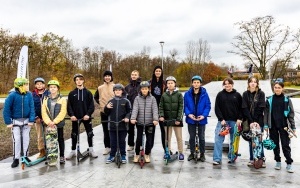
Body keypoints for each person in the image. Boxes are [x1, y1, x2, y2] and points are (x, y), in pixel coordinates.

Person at [264, 81, 296, 173]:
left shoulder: (287, 100)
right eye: (275, 87)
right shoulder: (269, 100)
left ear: (282, 88)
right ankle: (278, 161)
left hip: (284, 126)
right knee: (275, 145)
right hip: (272, 126)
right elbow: (266, 113)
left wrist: (293, 127)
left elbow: (291, 114)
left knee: (285, 145)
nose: (277, 89)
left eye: (279, 87)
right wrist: (266, 125)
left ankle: (289, 163)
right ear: (273, 88)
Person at [3, 78, 35, 168]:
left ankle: (25, 156)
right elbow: (6, 109)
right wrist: (8, 122)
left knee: (26, 139)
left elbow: (32, 107)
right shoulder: (12, 95)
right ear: (20, 86)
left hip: (26, 121)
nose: (27, 86)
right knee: (16, 140)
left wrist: (31, 120)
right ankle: (16, 158)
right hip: (15, 121)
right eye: (25, 84)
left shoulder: (29, 95)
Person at [66, 73, 97, 160]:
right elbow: (69, 106)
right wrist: (71, 115)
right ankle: (73, 151)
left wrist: (88, 114)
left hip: (86, 117)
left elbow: (91, 105)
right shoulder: (72, 93)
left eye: (80, 79)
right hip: (76, 117)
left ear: (83, 80)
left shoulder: (88, 93)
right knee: (74, 134)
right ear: (75, 82)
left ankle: (91, 149)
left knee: (90, 133)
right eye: (77, 80)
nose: (79, 81)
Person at [213, 78, 243, 165]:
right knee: (218, 140)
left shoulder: (237, 95)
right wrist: (221, 119)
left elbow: (242, 108)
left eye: (229, 84)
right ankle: (217, 158)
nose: (227, 85)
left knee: (233, 141)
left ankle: (232, 157)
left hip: (234, 122)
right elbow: (217, 108)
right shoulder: (220, 95)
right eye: (225, 84)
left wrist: (239, 118)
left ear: (232, 85)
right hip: (223, 122)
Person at [184, 75, 211, 162]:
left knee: (201, 137)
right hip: (191, 119)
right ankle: (192, 153)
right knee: (192, 137)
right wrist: (188, 114)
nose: (196, 84)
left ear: (200, 84)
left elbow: (208, 106)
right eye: (194, 82)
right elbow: (185, 106)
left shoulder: (205, 94)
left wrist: (204, 115)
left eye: (198, 82)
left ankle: (202, 154)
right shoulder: (187, 94)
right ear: (192, 83)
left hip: (201, 119)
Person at [131, 81, 159, 163]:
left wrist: (155, 119)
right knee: (138, 139)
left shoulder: (152, 98)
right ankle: (136, 154)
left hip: (150, 123)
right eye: (143, 89)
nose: (144, 90)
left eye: (146, 89)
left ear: (148, 89)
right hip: (139, 122)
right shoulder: (137, 98)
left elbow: (155, 109)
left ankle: (147, 154)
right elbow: (135, 109)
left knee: (149, 139)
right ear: (140, 89)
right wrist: (133, 118)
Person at [242, 77, 266, 167]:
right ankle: (252, 159)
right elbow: (244, 108)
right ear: (248, 83)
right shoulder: (245, 94)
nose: (253, 83)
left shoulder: (261, 94)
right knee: (251, 141)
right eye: (251, 82)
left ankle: (261, 159)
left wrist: (255, 121)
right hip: (249, 121)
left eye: (255, 82)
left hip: (259, 121)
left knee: (259, 141)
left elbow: (261, 107)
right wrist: (251, 121)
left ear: (257, 84)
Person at [159, 76, 184, 161]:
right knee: (167, 138)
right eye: (168, 83)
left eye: (171, 83)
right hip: (167, 120)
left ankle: (181, 152)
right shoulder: (164, 95)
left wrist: (178, 119)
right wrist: (161, 116)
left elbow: (181, 107)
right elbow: (161, 107)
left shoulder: (179, 94)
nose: (170, 85)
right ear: (166, 84)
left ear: (175, 84)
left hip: (176, 120)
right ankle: (167, 151)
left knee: (179, 137)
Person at [104, 84, 131, 164]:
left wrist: (127, 117)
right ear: (114, 92)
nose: (118, 91)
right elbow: (106, 113)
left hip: (123, 125)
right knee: (113, 141)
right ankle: (112, 155)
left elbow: (129, 111)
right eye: (116, 90)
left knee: (122, 141)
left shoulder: (126, 101)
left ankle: (123, 155)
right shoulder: (111, 101)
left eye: (119, 90)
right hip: (112, 125)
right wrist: (106, 107)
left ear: (122, 91)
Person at [41, 80, 67, 164]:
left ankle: (62, 156)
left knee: (60, 139)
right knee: (49, 141)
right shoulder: (45, 99)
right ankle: (50, 156)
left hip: (58, 124)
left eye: (54, 87)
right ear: (48, 88)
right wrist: (48, 122)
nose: (52, 89)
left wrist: (55, 122)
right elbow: (43, 111)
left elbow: (63, 112)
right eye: (51, 87)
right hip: (48, 124)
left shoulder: (62, 99)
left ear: (58, 89)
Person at [94, 70, 115, 155]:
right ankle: (107, 147)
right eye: (106, 76)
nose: (107, 77)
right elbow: (96, 97)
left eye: (109, 76)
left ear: (111, 77)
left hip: (113, 112)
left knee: (113, 130)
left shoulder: (115, 86)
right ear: (104, 77)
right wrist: (101, 103)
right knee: (105, 130)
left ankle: (114, 146)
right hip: (103, 112)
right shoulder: (100, 88)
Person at [149, 65, 166, 151]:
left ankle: (165, 148)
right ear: (154, 72)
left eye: (159, 71)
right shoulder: (150, 83)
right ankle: (149, 148)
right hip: (152, 109)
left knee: (164, 130)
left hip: (161, 109)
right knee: (151, 130)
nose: (158, 72)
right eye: (156, 71)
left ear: (161, 72)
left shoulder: (164, 83)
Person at [32, 77, 49, 159]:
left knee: (49, 134)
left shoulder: (48, 93)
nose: (39, 85)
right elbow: (32, 107)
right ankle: (42, 151)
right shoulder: (33, 94)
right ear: (35, 85)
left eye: (41, 84)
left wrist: (48, 118)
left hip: (47, 118)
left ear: (44, 85)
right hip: (38, 119)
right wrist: (36, 117)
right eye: (37, 84)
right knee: (40, 136)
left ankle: (50, 150)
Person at [124, 70, 141, 151]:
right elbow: (124, 99)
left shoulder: (141, 86)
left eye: (135, 75)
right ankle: (131, 144)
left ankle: (140, 144)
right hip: (130, 110)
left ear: (138, 76)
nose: (134, 76)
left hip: (140, 111)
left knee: (140, 129)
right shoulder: (127, 87)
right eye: (132, 74)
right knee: (130, 129)